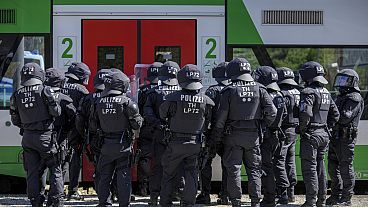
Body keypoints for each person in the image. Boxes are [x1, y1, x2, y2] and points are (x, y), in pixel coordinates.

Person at [213, 58, 277, 207]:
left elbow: (220, 119)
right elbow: (272, 113)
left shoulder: (229, 90)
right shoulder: (260, 88)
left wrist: (216, 138)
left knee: (233, 170)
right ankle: (255, 202)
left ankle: (236, 202)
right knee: (254, 170)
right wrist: (261, 125)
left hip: (232, 136)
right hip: (253, 136)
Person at [159, 64, 214, 207]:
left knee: (168, 174)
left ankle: (165, 202)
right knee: (191, 174)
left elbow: (162, 114)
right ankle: (188, 203)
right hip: (195, 143)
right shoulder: (206, 101)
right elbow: (209, 121)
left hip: (175, 143)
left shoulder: (171, 98)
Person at [10, 63, 62, 207]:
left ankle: (35, 201)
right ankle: (55, 201)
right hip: (46, 137)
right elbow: (56, 112)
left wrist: (27, 127)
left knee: (32, 171)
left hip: (27, 138)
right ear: (40, 75)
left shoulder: (17, 94)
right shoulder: (45, 90)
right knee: (55, 168)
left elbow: (15, 120)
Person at [89, 69, 143, 207]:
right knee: (123, 173)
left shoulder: (98, 102)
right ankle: (124, 203)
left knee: (104, 175)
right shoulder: (127, 102)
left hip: (105, 144)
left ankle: (104, 203)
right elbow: (137, 125)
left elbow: (93, 125)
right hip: (123, 144)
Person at [298, 61, 340, 207]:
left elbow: (305, 114)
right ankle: (321, 200)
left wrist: (302, 129)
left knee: (309, 169)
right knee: (321, 168)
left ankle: (310, 201)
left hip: (311, 135)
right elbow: (336, 115)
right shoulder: (326, 92)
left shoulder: (308, 92)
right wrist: (327, 128)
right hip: (323, 134)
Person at [143, 61, 181, 206]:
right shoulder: (182, 92)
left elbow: (147, 112)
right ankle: (177, 193)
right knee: (178, 165)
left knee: (158, 166)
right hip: (177, 135)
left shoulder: (154, 92)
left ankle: (154, 197)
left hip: (159, 134)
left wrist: (158, 124)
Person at [326, 69, 364, 206]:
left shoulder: (355, 97)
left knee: (345, 168)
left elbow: (344, 118)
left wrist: (331, 112)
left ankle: (347, 198)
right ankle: (335, 195)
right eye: (340, 80)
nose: (341, 83)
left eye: (344, 80)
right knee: (333, 168)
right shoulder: (340, 96)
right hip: (335, 138)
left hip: (346, 139)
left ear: (352, 82)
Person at [196, 62, 230, 205]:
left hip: (212, 133)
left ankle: (205, 195)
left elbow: (206, 113)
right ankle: (225, 195)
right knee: (228, 164)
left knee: (205, 163)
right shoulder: (232, 89)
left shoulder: (211, 91)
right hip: (230, 134)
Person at [253, 66, 287, 207]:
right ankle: (283, 195)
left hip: (265, 137)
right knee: (277, 166)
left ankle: (269, 199)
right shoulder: (280, 95)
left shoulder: (264, 94)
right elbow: (283, 115)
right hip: (277, 136)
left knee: (265, 169)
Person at [42, 68, 77, 206]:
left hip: (41, 136)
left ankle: (38, 199)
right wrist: (69, 133)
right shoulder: (64, 99)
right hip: (60, 139)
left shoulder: (39, 95)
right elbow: (75, 118)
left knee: (40, 170)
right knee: (58, 171)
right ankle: (55, 200)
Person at [75, 68, 111, 194]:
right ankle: (115, 193)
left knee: (99, 166)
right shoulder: (118, 98)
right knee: (115, 166)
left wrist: (83, 135)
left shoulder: (87, 98)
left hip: (95, 137)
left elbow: (79, 119)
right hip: (113, 138)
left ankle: (102, 194)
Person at [62, 62, 91, 200]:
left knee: (60, 161)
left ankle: (58, 190)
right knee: (75, 160)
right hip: (75, 130)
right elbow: (85, 114)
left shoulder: (59, 86)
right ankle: (73, 190)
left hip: (59, 130)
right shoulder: (82, 91)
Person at [274, 67, 300, 204]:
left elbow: (279, 114)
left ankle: (283, 194)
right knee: (290, 162)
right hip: (294, 131)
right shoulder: (297, 92)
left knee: (279, 161)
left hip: (283, 131)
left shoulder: (281, 93)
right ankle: (291, 194)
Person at [137, 62, 162, 196]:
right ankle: (162, 187)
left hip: (146, 127)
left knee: (145, 158)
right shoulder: (164, 89)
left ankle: (143, 188)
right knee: (162, 158)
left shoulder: (142, 89)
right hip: (162, 129)